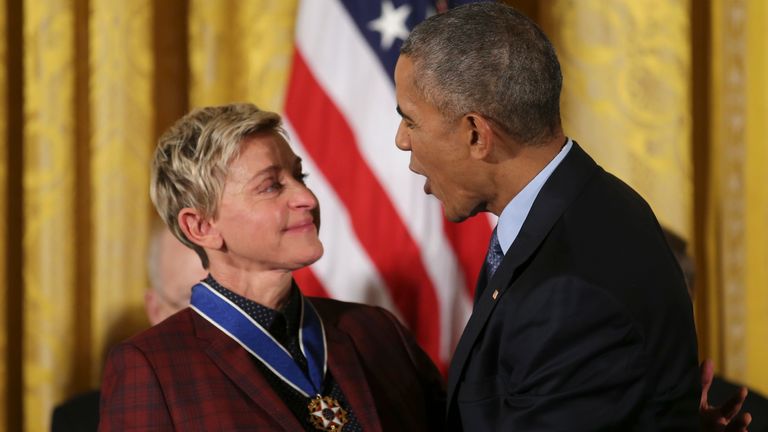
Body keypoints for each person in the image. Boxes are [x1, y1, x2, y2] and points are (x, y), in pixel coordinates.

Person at [393, 3, 729, 430]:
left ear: (476, 133)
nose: (402, 141)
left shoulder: (569, 290)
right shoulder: (593, 206)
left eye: (410, 119)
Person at [98, 103, 444, 431]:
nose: (306, 198)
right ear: (201, 227)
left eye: (300, 176)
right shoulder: (152, 367)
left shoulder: (376, 332)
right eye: (270, 186)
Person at [51, 223, 207, 431]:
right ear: (155, 311)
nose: (216, 319)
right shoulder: (81, 422)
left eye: (229, 299)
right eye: (192, 301)